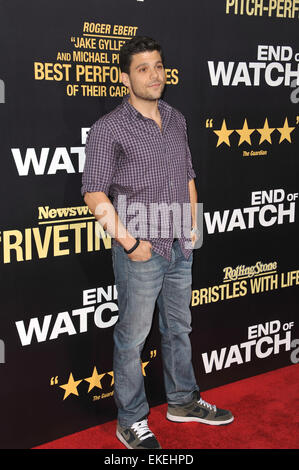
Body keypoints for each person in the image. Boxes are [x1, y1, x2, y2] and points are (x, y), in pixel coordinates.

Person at [81, 36, 234, 450]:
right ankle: (130, 420)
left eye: (158, 66)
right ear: (124, 78)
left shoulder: (177, 118)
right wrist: (130, 244)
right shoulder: (108, 128)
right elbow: (94, 193)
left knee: (179, 329)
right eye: (143, 68)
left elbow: (187, 176)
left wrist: (193, 224)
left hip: (180, 245)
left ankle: (183, 401)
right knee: (132, 338)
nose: (154, 75)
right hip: (141, 251)